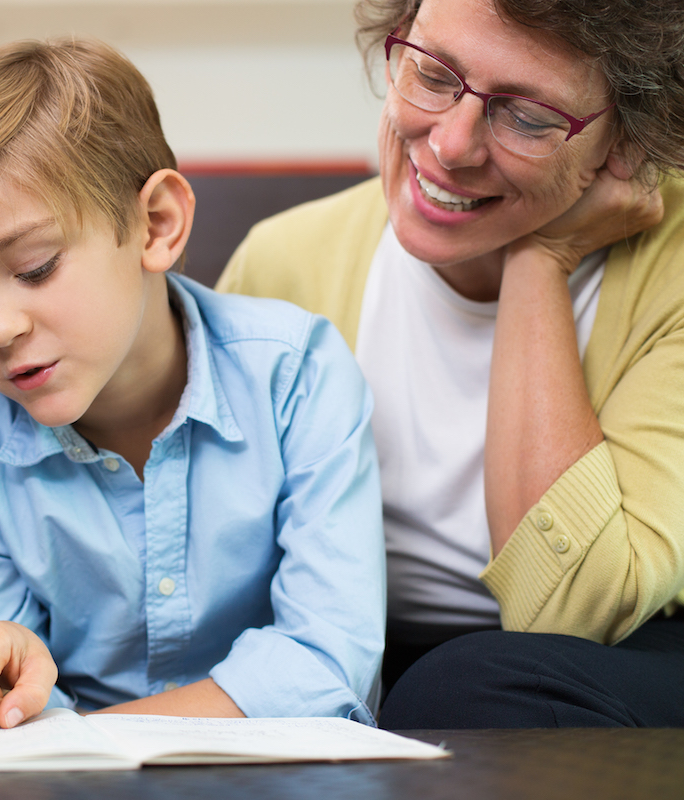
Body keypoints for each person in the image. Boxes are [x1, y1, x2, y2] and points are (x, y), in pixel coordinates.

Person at [0, 38, 385, 737]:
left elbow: (326, 664)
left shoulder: (299, 376)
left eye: (34, 268)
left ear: (156, 225)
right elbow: (11, 715)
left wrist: (87, 736)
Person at [217, 0, 684, 728]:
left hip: (621, 657)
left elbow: (570, 613)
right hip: (369, 654)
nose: (452, 144)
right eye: (433, 75)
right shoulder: (284, 264)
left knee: (460, 689)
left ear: (625, 139)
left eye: (527, 118)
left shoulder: (674, 272)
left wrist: (542, 259)